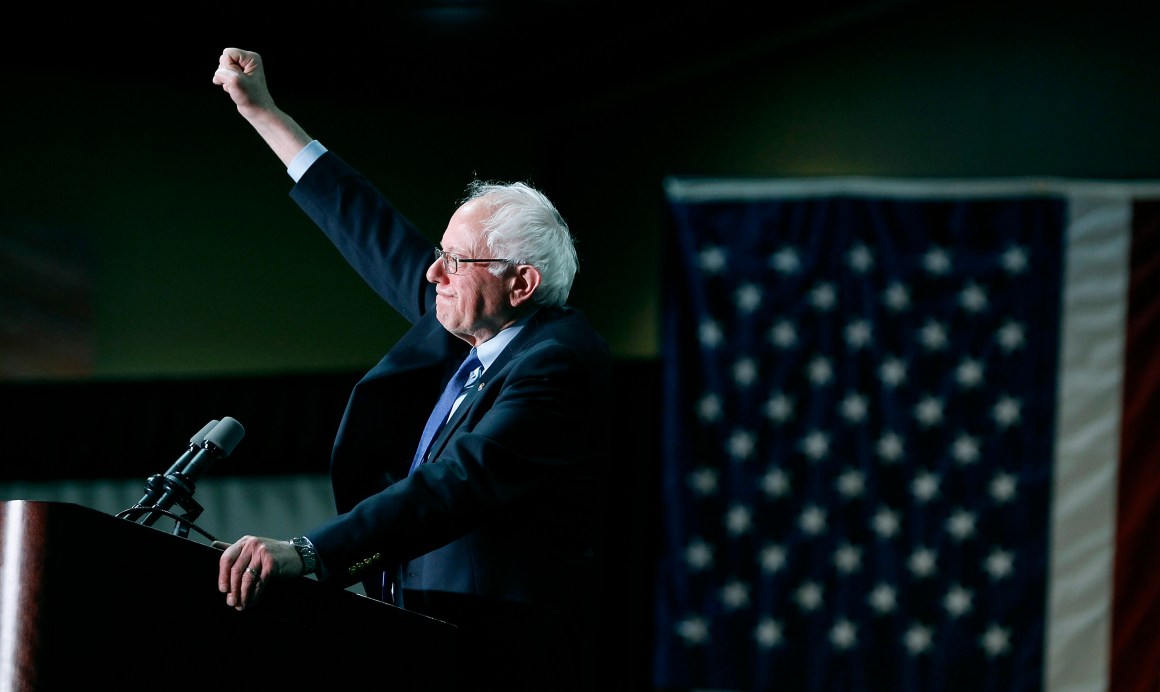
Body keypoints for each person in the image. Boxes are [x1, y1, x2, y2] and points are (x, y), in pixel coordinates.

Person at [210, 47, 612, 690]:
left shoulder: (555, 363)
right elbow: (369, 228)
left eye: (455, 260)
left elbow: (459, 483)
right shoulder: (477, 318)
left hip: (498, 651)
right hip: (424, 632)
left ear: (522, 282)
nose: (433, 274)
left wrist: (311, 553)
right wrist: (264, 112)